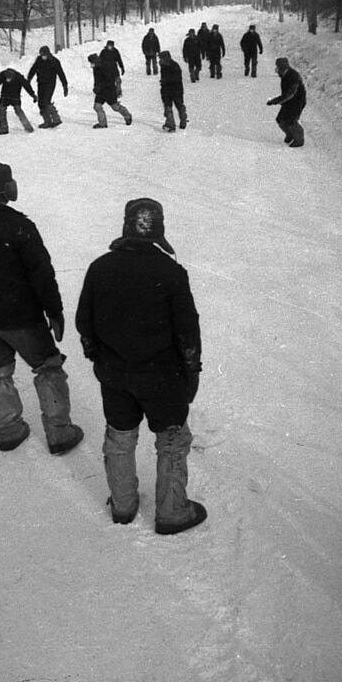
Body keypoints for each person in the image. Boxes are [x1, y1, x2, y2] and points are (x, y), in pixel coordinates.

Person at [75, 198, 206, 534]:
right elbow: (187, 332)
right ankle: (173, 511)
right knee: (172, 440)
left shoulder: (100, 267)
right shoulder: (171, 273)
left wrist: (98, 358)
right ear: (159, 229)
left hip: (115, 375)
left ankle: (123, 504)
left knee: (120, 436)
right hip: (162, 378)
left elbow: (84, 322)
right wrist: (191, 373)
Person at [0, 162, 84, 454]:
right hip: (22, 316)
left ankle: (9, 430)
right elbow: (42, 274)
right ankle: (59, 434)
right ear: (9, 189)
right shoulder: (20, 226)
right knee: (48, 367)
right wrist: (55, 311)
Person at [267, 57, 307, 148]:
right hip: (289, 102)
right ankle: (290, 134)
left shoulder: (293, 76)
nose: (276, 70)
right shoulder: (285, 74)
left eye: (277, 67)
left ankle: (299, 139)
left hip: (297, 102)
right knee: (280, 119)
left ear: (282, 68)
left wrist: (276, 101)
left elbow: (290, 93)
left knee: (291, 121)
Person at [27, 45, 68, 129]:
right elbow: (33, 69)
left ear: (48, 54)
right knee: (40, 103)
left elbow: (61, 73)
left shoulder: (54, 61)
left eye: (44, 55)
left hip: (50, 84)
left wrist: (65, 85)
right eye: (41, 55)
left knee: (46, 101)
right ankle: (47, 121)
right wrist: (29, 79)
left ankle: (56, 119)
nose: (43, 57)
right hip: (41, 83)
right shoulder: (39, 60)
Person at [88, 53, 132, 129]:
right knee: (97, 106)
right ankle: (102, 123)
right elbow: (97, 80)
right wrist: (96, 87)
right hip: (100, 92)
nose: (90, 65)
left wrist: (100, 87)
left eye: (91, 63)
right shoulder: (96, 68)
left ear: (95, 61)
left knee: (115, 107)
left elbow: (110, 80)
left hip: (109, 91)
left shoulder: (104, 67)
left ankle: (127, 115)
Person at [0, 68, 37, 135]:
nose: (7, 80)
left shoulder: (19, 77)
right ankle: (3, 128)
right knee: (1, 110)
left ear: (13, 77)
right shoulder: (3, 74)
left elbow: (27, 86)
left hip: (15, 96)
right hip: (5, 96)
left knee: (18, 111)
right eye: (6, 78)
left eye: (9, 79)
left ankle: (28, 127)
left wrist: (33, 95)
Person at [158, 50, 187, 132]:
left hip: (176, 90)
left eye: (161, 59)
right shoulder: (163, 66)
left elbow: (177, 78)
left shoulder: (175, 66)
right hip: (166, 90)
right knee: (167, 106)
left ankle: (183, 119)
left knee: (179, 105)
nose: (160, 60)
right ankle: (171, 123)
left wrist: (166, 81)